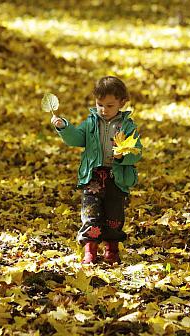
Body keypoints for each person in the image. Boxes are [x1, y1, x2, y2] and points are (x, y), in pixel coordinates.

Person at [51, 76, 142, 264]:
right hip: (93, 176)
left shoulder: (127, 126)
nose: (104, 110)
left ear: (121, 103)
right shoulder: (91, 123)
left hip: (116, 177)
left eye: (109, 106)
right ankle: (90, 249)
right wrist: (64, 127)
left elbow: (137, 151)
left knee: (114, 214)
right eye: (100, 104)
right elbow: (75, 139)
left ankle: (112, 248)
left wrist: (124, 156)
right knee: (90, 212)